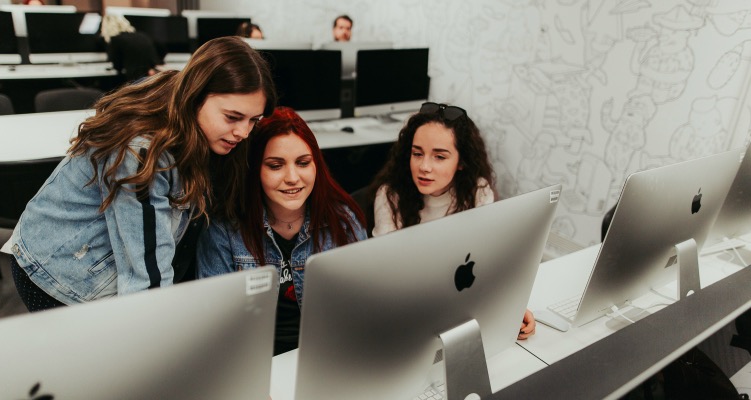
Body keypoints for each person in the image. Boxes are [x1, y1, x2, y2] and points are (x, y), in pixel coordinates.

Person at [6, 37, 277, 312]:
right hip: (60, 271)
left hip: (101, 254)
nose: (243, 133)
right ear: (196, 95)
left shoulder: (185, 103)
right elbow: (145, 276)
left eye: (253, 120)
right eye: (232, 117)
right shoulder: (143, 152)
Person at [197, 106, 367, 355]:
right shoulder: (224, 230)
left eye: (303, 163)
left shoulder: (342, 220)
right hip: (254, 361)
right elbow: (215, 326)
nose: (292, 177)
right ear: (254, 170)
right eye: (275, 166)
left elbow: (362, 306)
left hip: (329, 354)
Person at [368, 101, 536, 340]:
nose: (424, 167)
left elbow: (485, 262)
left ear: (462, 162)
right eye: (417, 154)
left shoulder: (478, 192)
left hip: (459, 309)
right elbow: (385, 274)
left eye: (439, 156)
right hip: (406, 313)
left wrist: (510, 307)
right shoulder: (390, 195)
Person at [100, 14, 163, 82]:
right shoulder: (142, 35)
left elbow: (117, 65)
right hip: (150, 76)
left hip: (134, 78)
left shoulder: (116, 39)